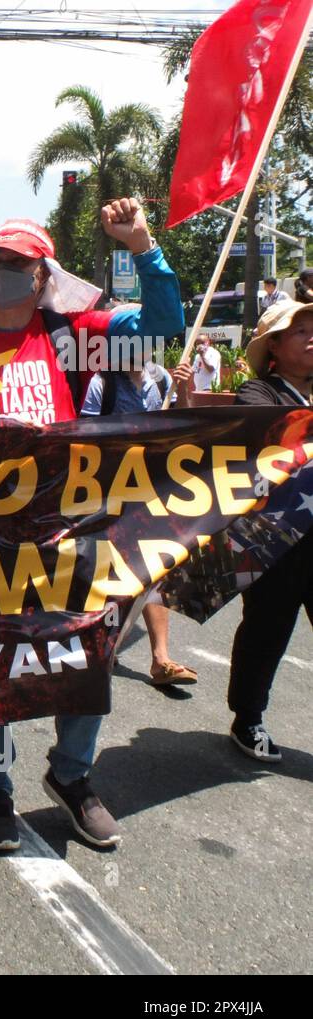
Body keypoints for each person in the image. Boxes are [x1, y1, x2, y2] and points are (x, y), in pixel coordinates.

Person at [0, 200, 185, 852]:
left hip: (70, 529)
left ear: (42, 275)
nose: (7, 271)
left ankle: (72, 775)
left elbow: (162, 326)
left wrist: (144, 245)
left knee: (88, 651)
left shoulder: (76, 333)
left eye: (20, 263)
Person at [225, 300, 313, 762]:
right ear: (274, 345)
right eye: (301, 331)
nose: (312, 337)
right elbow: (270, 442)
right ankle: (248, 718)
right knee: (267, 628)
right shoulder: (258, 395)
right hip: (275, 540)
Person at [80, 351, 197, 687]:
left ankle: (161, 658)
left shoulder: (161, 378)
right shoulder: (103, 384)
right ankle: (100, 645)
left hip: (152, 492)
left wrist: (185, 391)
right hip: (110, 494)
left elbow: (190, 429)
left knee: (155, 566)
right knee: (111, 571)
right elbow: (85, 437)